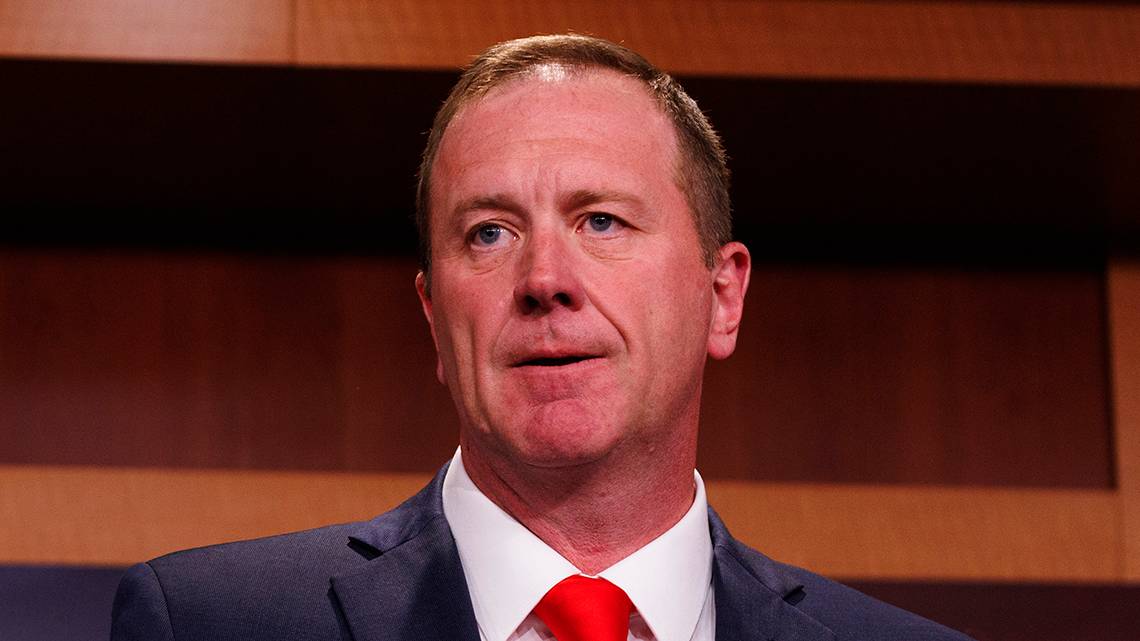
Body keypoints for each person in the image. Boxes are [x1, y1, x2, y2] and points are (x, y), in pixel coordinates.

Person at [111, 34, 973, 641]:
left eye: (601, 221)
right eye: (489, 232)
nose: (544, 278)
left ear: (722, 296)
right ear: (434, 319)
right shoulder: (209, 622)